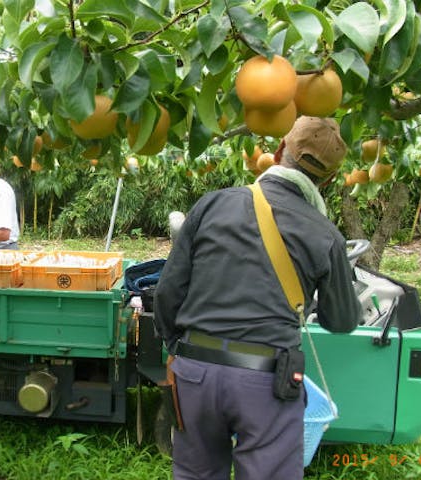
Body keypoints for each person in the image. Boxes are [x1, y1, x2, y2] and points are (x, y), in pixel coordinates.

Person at [154, 116, 362, 480]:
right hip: (266, 383)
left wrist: (179, 350)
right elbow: (342, 321)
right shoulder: (325, 234)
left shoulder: (213, 204)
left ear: (280, 150)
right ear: (327, 179)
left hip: (196, 371)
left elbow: (168, 292)